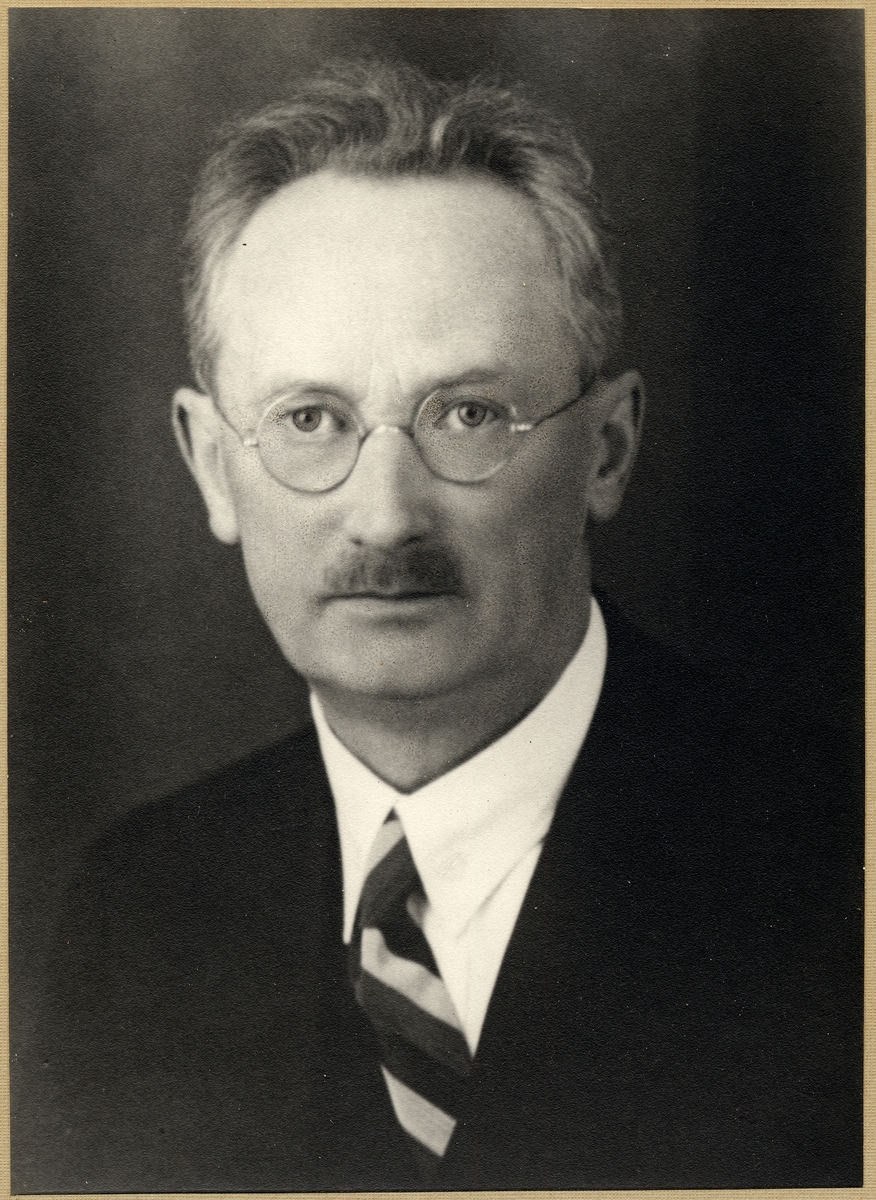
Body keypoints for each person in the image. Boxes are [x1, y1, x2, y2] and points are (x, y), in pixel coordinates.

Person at [17, 58, 860, 1192]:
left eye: (468, 414)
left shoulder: (839, 870)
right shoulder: (137, 906)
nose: (385, 515)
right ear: (213, 467)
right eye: (309, 419)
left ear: (605, 450)